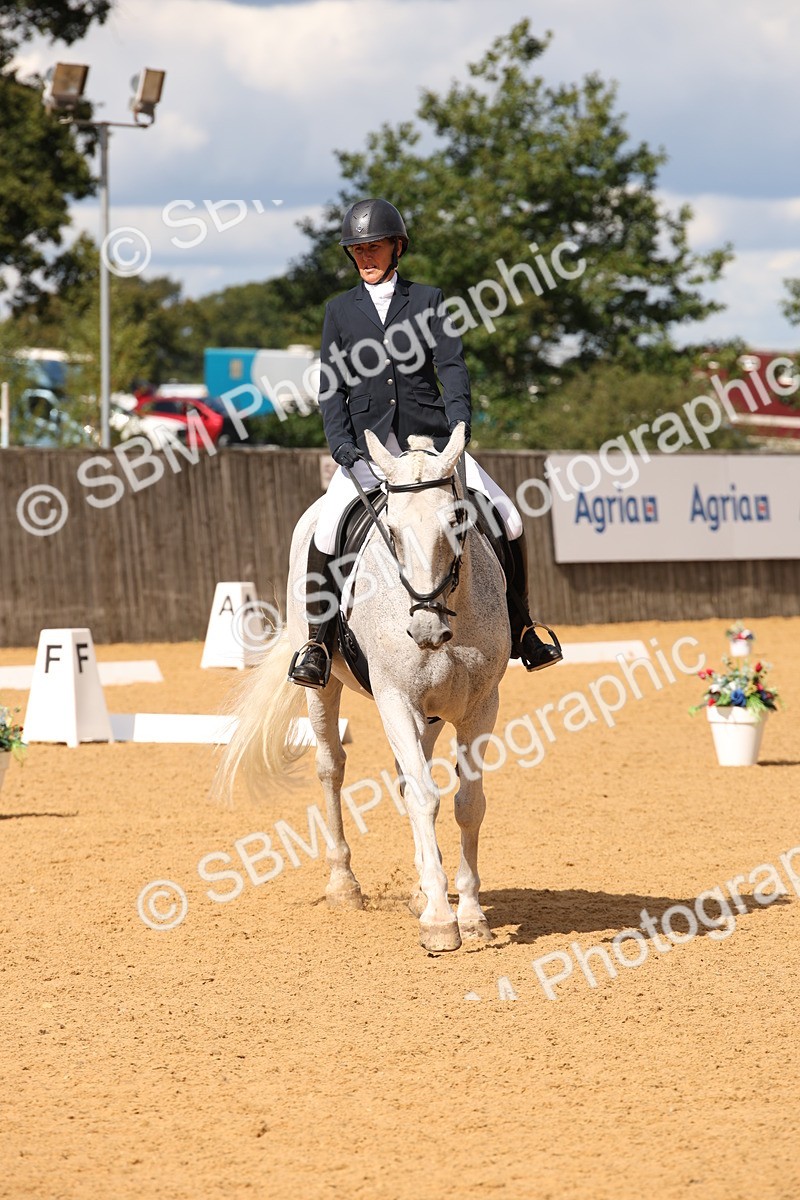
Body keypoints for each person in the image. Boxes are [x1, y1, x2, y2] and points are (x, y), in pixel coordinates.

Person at [288, 197, 562, 689]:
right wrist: (343, 448)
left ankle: (523, 630)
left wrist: (458, 430)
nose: (366, 257)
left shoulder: (429, 300)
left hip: (434, 442)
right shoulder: (339, 311)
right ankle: (317, 643)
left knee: (510, 518)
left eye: (374, 247)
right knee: (327, 531)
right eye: (357, 250)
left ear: (397, 248)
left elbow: (451, 367)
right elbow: (331, 386)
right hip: (370, 449)